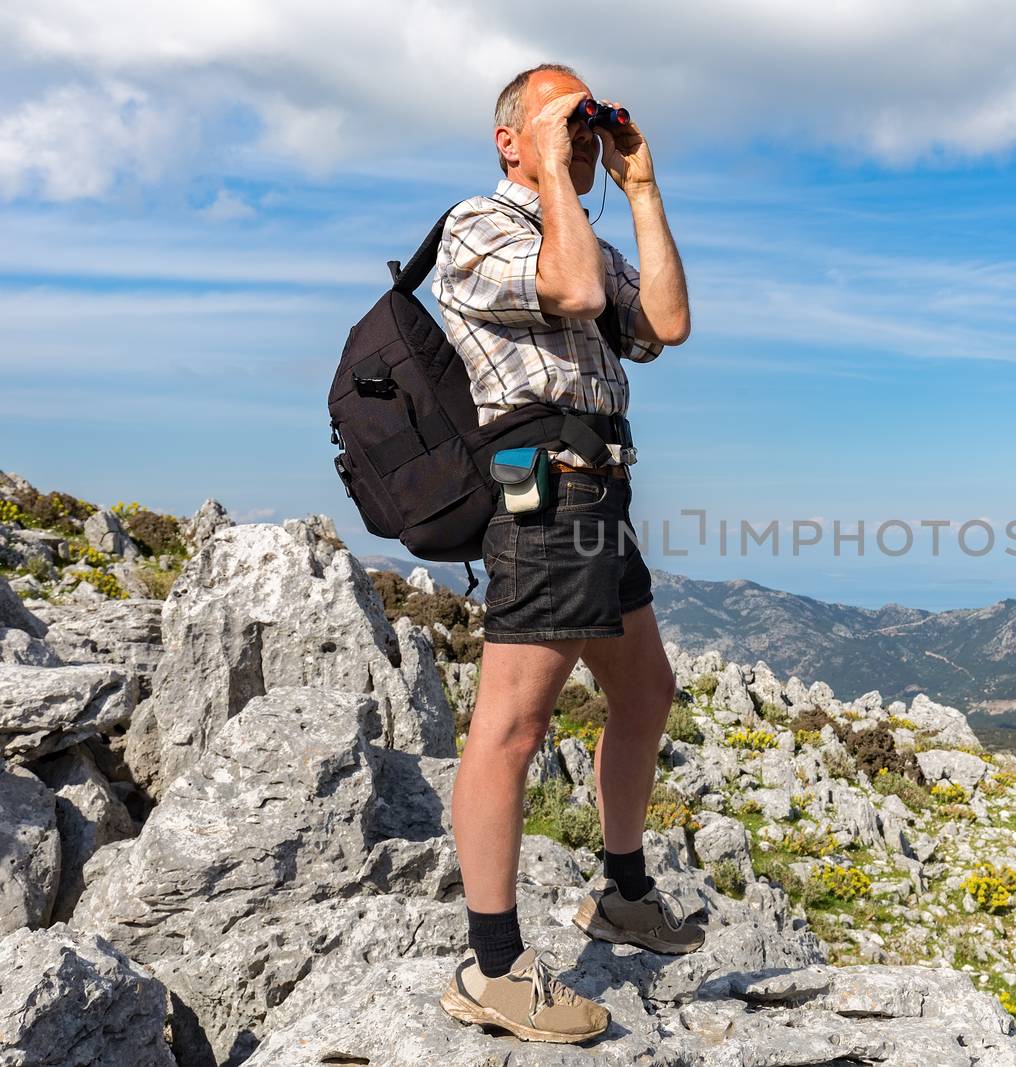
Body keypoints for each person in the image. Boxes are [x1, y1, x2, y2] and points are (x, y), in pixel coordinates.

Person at [432, 63, 697, 1044]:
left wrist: (639, 186)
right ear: (509, 141)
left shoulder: (578, 224)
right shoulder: (481, 226)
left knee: (646, 692)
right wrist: (552, 165)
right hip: (543, 489)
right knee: (511, 725)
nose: (583, 137)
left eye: (590, 124)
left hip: (599, 489)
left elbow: (663, 321)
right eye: (562, 123)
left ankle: (622, 893)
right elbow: (577, 286)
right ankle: (492, 964)